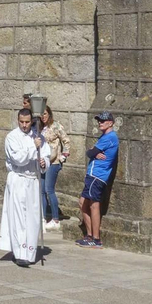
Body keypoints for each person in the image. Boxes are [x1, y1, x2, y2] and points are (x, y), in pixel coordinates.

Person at [0, 107, 45, 267]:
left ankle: (30, 252)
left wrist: (43, 162)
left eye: (27, 122)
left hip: (33, 179)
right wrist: (33, 147)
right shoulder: (12, 137)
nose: (24, 125)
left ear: (31, 121)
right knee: (18, 216)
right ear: (18, 120)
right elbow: (18, 158)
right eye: (21, 122)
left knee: (33, 217)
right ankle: (20, 253)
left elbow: (45, 154)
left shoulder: (38, 136)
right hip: (18, 178)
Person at [77, 111, 118, 249]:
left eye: (103, 120)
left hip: (98, 176)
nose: (100, 122)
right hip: (93, 175)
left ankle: (96, 238)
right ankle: (90, 236)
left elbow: (90, 152)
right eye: (99, 120)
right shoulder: (104, 137)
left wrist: (93, 152)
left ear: (111, 123)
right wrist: (93, 152)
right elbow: (91, 152)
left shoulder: (109, 137)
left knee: (94, 205)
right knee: (83, 203)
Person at [39, 104, 69, 223]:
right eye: (41, 114)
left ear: (49, 114)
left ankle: (55, 217)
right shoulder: (40, 127)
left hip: (53, 162)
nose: (43, 117)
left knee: (48, 189)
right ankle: (44, 216)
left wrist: (63, 157)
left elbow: (66, 141)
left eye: (45, 114)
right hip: (42, 162)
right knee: (41, 190)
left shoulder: (56, 126)